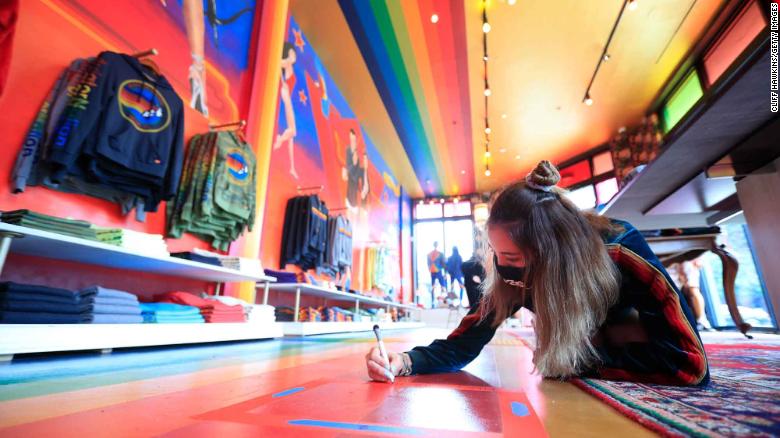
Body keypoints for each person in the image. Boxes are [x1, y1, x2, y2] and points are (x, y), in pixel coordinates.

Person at [366, 161, 709, 386]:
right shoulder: (511, 273)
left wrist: (580, 364)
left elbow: (690, 364)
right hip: (588, 343)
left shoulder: (619, 247)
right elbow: (464, 342)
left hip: (629, 334)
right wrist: (404, 361)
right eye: (496, 253)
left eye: (511, 256)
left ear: (550, 253)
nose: (503, 266)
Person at [273, 41, 299, 179]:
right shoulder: (287, 62)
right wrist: (282, 82)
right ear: (288, 53)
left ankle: (292, 167)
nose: (294, 55)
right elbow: (277, 61)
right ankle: (280, 139)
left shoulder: (290, 65)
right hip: (285, 93)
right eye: (292, 52)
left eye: (294, 53)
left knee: (292, 136)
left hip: (287, 94)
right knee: (293, 131)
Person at [427, 242, 446, 308]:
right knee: (443, 286)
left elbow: (428, 264)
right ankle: (444, 301)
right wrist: (445, 273)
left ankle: (432, 301)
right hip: (438, 270)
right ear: (437, 245)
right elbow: (444, 263)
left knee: (433, 286)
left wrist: (430, 269)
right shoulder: (440, 254)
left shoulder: (429, 254)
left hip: (432, 271)